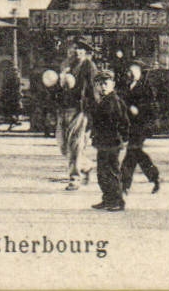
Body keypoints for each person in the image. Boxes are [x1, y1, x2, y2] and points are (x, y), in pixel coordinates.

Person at [86, 70, 131, 212]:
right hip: (103, 141)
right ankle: (108, 198)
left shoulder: (114, 101)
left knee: (111, 171)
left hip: (112, 141)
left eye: (106, 83)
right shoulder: (103, 100)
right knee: (102, 172)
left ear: (113, 84)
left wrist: (124, 137)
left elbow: (124, 122)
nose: (103, 87)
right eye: (100, 84)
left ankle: (117, 201)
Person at [58, 41, 98, 190]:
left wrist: (92, 112)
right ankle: (86, 166)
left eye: (81, 49)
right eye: (75, 48)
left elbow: (93, 90)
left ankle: (74, 178)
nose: (77, 51)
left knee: (75, 145)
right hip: (63, 108)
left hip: (79, 109)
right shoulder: (66, 65)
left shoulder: (89, 66)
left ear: (86, 52)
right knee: (63, 146)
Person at [119, 61, 161, 194]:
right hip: (131, 125)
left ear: (140, 73)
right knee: (136, 153)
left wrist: (138, 109)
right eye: (129, 71)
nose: (130, 74)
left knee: (132, 152)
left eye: (134, 71)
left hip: (142, 124)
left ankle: (124, 184)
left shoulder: (146, 87)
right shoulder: (127, 86)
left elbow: (152, 106)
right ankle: (154, 177)